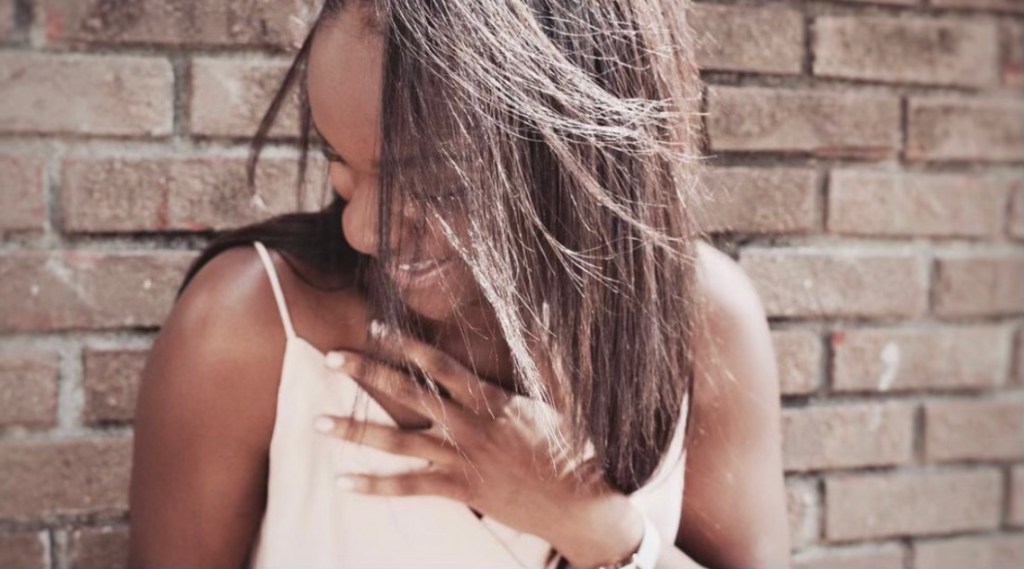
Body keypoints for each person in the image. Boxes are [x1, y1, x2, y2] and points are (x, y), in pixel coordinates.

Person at [126, 1, 790, 568]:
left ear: (566, 149)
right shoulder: (250, 324)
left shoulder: (703, 319)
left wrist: (598, 530)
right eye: (340, 165)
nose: (363, 227)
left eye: (429, 183)